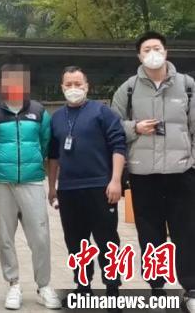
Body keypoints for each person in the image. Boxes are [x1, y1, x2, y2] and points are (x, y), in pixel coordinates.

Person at [111, 32, 195, 312]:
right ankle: (157, 287)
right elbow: (113, 126)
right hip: (143, 174)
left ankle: (191, 287)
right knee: (149, 233)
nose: (152, 53)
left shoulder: (187, 86)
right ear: (139, 55)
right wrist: (134, 127)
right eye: (146, 49)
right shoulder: (128, 88)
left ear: (166, 51)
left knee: (187, 231)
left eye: (156, 48)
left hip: (181, 172)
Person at [0, 63, 61, 311]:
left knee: (40, 237)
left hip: (32, 181)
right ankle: (13, 284)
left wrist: (37, 167)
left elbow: (46, 144)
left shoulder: (39, 112)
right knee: (5, 237)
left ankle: (43, 286)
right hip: (1, 183)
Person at [48, 66, 126, 309]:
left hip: (100, 187)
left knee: (107, 241)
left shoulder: (102, 112)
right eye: (68, 84)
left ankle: (113, 289)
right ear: (62, 87)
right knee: (75, 241)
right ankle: (83, 287)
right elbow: (53, 156)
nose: (73, 89)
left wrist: (115, 180)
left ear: (87, 86)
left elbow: (119, 146)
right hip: (69, 189)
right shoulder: (57, 118)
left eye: (78, 84)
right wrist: (52, 187)